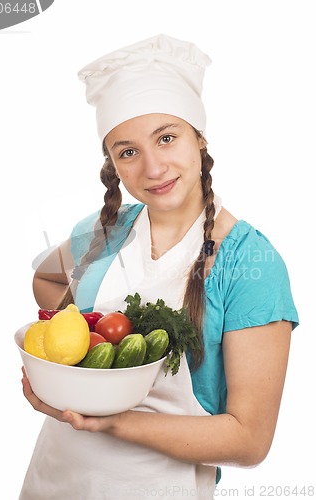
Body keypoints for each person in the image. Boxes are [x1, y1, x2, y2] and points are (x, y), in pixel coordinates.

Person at [20, 34, 299, 500]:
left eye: (166, 138)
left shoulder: (252, 263)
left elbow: (249, 440)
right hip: (56, 476)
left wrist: (112, 419)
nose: (153, 168)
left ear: (199, 137)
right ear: (114, 165)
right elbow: (46, 278)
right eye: (127, 151)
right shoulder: (103, 229)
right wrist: (77, 359)